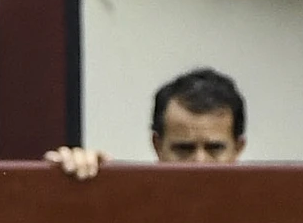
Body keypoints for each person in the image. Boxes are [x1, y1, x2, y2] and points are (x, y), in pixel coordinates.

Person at [46, 67, 247, 179]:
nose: (200, 162)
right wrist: (72, 178)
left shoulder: (267, 216)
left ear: (238, 148)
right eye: (183, 149)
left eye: (214, 148)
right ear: (157, 146)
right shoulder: (126, 208)